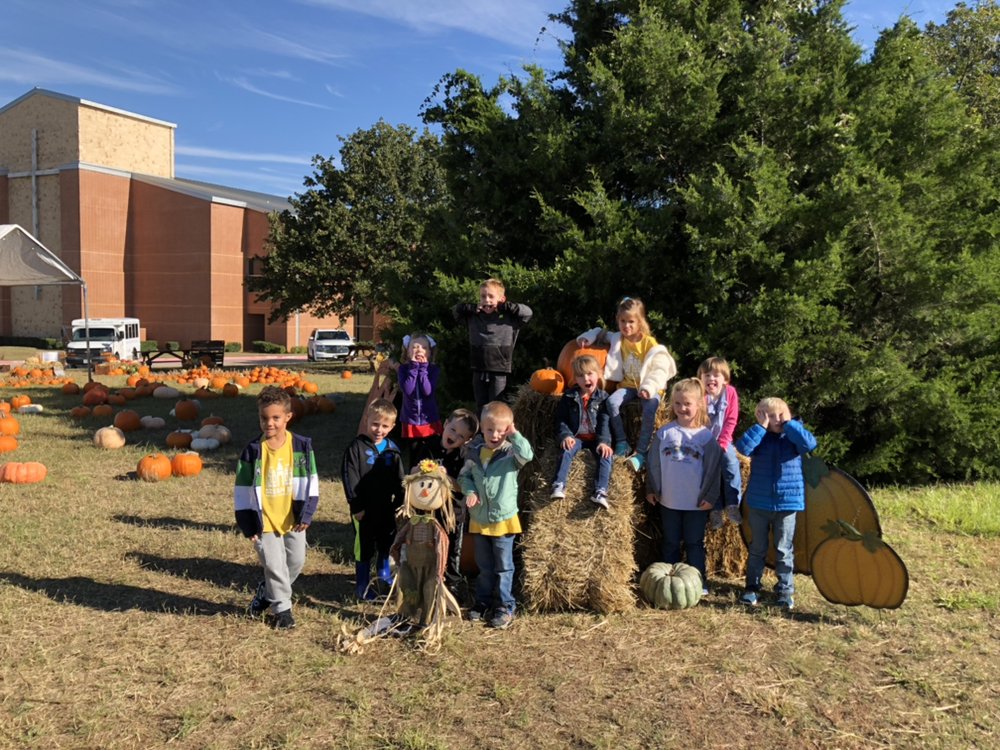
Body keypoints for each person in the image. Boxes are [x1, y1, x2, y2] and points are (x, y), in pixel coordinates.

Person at [235, 386, 319, 630]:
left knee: (295, 562)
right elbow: (241, 489)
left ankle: (267, 590)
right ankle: (282, 609)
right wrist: (247, 522)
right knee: (274, 565)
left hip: (293, 517)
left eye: (275, 418)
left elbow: (311, 481)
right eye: (264, 418)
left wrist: (307, 512)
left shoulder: (301, 447)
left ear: (288, 417)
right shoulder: (252, 451)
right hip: (265, 521)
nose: (269, 423)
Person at [736, 397, 818, 611]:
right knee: (757, 549)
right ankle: (752, 588)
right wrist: (760, 428)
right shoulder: (760, 437)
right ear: (762, 417)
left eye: (782, 414)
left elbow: (810, 444)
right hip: (759, 503)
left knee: (783, 549)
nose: (778, 419)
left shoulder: (793, 436)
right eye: (771, 416)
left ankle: (784, 591)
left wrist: (790, 425)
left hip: (787, 503)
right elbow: (743, 448)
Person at [577, 296, 676, 472]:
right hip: (628, 385)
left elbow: (659, 368)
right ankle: (622, 442)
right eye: (623, 321)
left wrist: (648, 388)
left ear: (640, 322)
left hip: (649, 387)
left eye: (631, 322)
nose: (626, 326)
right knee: (611, 403)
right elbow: (600, 333)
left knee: (649, 407)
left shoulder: (649, 343)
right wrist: (587, 338)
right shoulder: (618, 338)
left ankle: (641, 452)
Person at [458, 401, 534, 629]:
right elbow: (464, 477)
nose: (495, 434)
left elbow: (528, 455)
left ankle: (505, 606)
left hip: (503, 520)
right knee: (484, 566)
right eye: (490, 429)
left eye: (501, 430)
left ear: (508, 429)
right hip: (480, 519)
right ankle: (482, 602)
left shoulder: (511, 453)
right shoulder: (474, 452)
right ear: (481, 427)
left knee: (503, 567)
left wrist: (515, 435)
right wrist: (470, 491)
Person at [645, 378, 722, 594]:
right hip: (669, 501)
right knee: (670, 542)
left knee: (694, 543)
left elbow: (714, 470)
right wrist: (651, 488)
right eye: (677, 403)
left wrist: (710, 495)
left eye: (687, 404)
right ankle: (669, 584)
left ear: (699, 405)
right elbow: (653, 464)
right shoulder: (664, 433)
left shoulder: (706, 438)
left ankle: (698, 583)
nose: (682, 408)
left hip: (696, 503)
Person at [410, 408, 479, 600]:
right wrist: (422, 470)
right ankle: (426, 581)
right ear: (445, 424)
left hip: (452, 513)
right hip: (428, 509)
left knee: (451, 551)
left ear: (467, 440)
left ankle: (452, 585)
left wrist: (445, 477)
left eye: (461, 436)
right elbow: (412, 472)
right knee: (427, 546)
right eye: (453, 429)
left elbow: (462, 487)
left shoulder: (464, 457)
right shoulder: (428, 446)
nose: (454, 436)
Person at [341, 398, 405, 600]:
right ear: (367, 420)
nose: (379, 429)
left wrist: (400, 503)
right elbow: (349, 478)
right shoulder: (356, 448)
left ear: (392, 426)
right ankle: (362, 584)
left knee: (386, 543)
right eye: (375, 423)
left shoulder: (392, 450)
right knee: (365, 547)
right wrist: (357, 506)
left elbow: (399, 479)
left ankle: (383, 577)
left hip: (386, 507)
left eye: (385, 426)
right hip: (364, 510)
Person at [453, 278, 533, 412]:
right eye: (483, 296)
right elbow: (456, 311)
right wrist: (470, 307)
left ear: (501, 298)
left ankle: (497, 432)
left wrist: (507, 306)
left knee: (496, 406)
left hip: (499, 369)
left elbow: (528, 313)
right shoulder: (474, 317)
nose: (486, 300)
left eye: (491, 296)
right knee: (481, 406)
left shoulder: (509, 318)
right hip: (478, 367)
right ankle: (482, 432)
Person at [550, 355, 614, 509]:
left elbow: (605, 422)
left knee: (606, 455)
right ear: (575, 379)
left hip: (595, 439)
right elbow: (561, 419)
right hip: (577, 436)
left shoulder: (603, 398)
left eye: (590, 373)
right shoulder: (569, 397)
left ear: (598, 374)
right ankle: (559, 484)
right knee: (566, 450)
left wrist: (604, 442)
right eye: (580, 375)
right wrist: (566, 436)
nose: (586, 378)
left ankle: (600, 490)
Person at [698, 356, 744, 529]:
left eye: (715, 375)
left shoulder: (730, 393)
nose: (711, 379)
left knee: (730, 463)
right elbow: (696, 421)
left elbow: (731, 419)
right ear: (700, 378)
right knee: (710, 472)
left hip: (724, 440)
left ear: (725, 379)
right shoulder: (699, 395)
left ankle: (732, 504)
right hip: (704, 441)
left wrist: (723, 443)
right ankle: (715, 509)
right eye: (706, 375)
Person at [397, 332, 442, 466]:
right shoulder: (403, 369)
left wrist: (422, 370)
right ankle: (413, 480)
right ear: (407, 351)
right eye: (414, 347)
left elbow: (427, 391)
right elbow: (408, 390)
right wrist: (414, 368)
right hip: (411, 419)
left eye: (423, 348)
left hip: (429, 419)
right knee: (415, 453)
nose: (419, 350)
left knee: (431, 454)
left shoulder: (433, 370)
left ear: (429, 352)